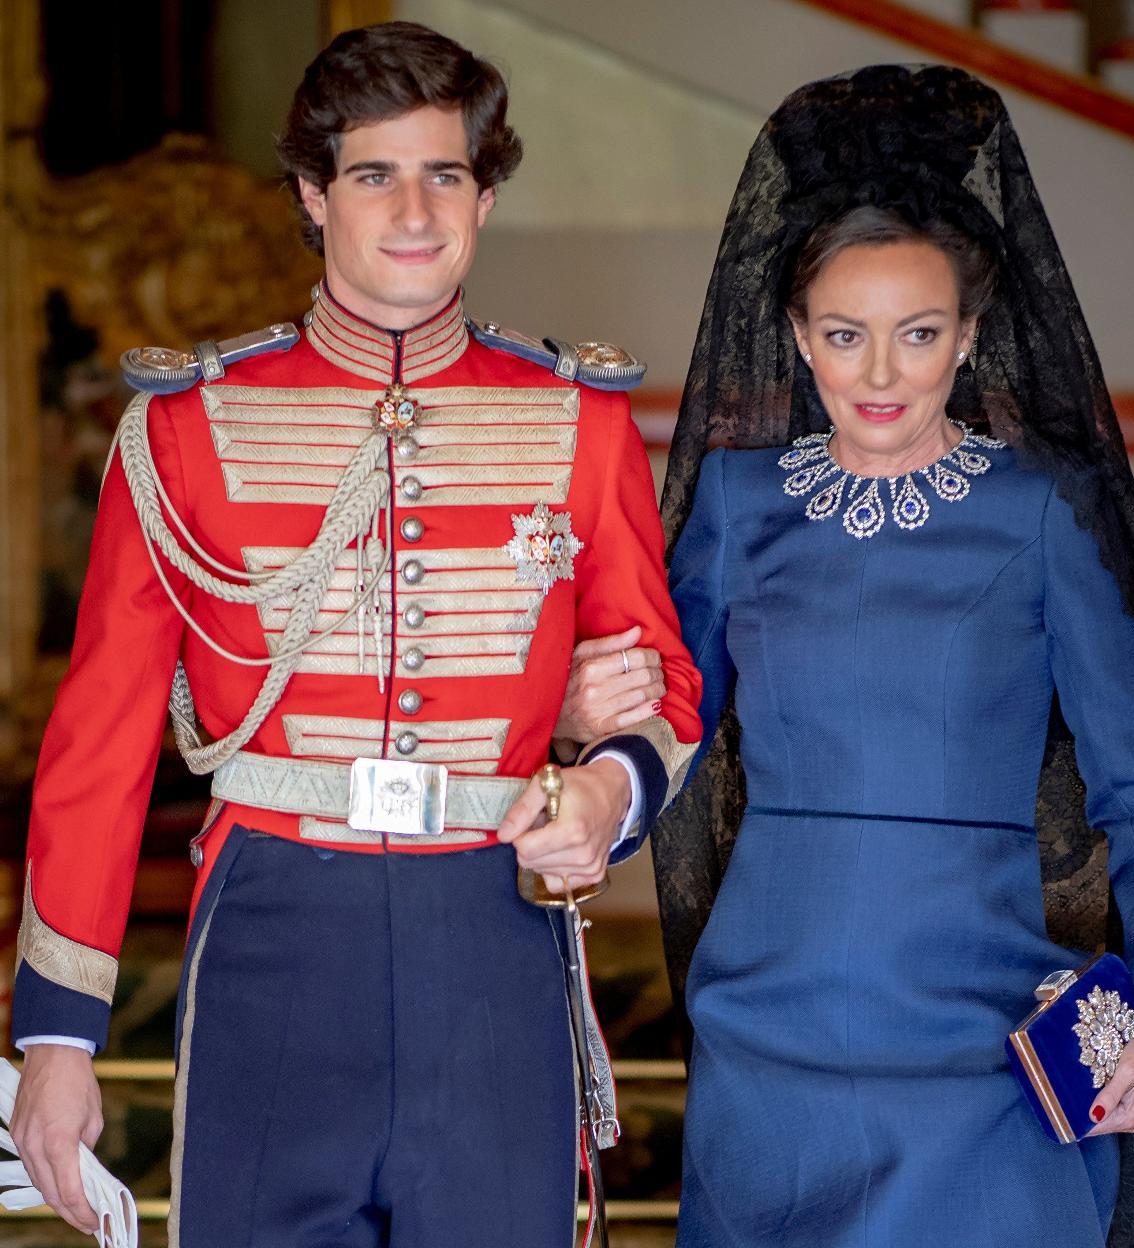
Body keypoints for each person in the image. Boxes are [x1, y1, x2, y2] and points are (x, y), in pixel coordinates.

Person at [8, 21, 701, 1247]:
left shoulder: (577, 422)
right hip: (274, 928)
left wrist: (608, 791)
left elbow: (663, 688)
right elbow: (100, 740)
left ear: (486, 199)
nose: (415, 210)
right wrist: (58, 1038)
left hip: (494, 925)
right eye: (375, 174)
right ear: (314, 195)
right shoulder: (186, 427)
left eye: (446, 174)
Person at [653, 66, 1134, 1246]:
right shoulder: (738, 505)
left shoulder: (1041, 512)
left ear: (967, 338)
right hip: (769, 1040)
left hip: (986, 1041)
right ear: (798, 338)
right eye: (843, 335)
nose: (878, 375)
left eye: (917, 335)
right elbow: (661, 732)